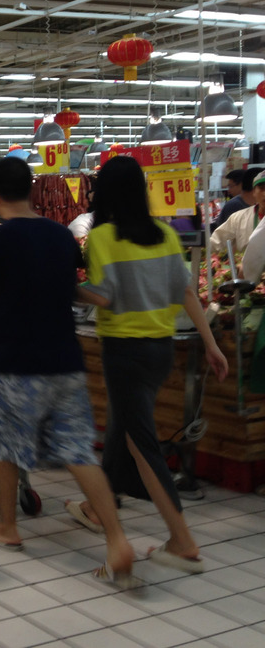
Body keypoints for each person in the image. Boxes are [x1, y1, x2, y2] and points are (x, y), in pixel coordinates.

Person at [0, 156, 136, 585]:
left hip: (14, 364)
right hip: (65, 362)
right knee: (78, 451)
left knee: (3, 445)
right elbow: (71, 287)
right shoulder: (61, 236)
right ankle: (116, 539)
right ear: (34, 191)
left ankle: (6, 526)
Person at [75, 156, 227, 575]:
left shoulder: (104, 237)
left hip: (125, 352)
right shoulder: (164, 233)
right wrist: (212, 345)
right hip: (160, 351)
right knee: (124, 429)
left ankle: (182, 541)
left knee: (142, 445)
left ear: (103, 192)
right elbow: (188, 294)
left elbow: (103, 296)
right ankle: (94, 506)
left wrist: (69, 287)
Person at [209, 169, 265, 255]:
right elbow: (215, 243)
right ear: (254, 192)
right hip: (247, 268)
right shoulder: (238, 218)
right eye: (261, 189)